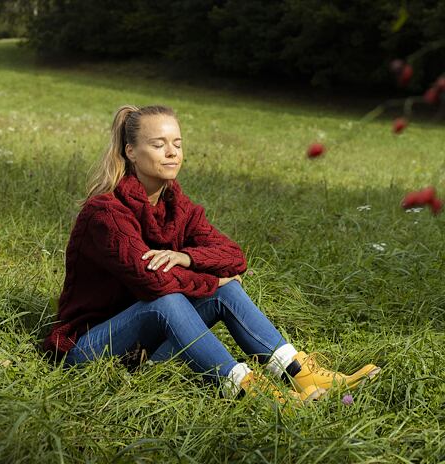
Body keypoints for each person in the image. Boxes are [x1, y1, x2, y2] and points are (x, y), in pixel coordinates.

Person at [43, 104, 380, 410]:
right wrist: (210, 279)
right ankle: (254, 394)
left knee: (226, 292)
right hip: (89, 350)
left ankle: (301, 373)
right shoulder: (106, 213)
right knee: (170, 300)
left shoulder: (176, 205)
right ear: (131, 151)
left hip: (143, 353)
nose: (172, 152)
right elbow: (154, 283)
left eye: (177, 143)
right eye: (158, 144)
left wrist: (186, 258)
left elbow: (234, 256)